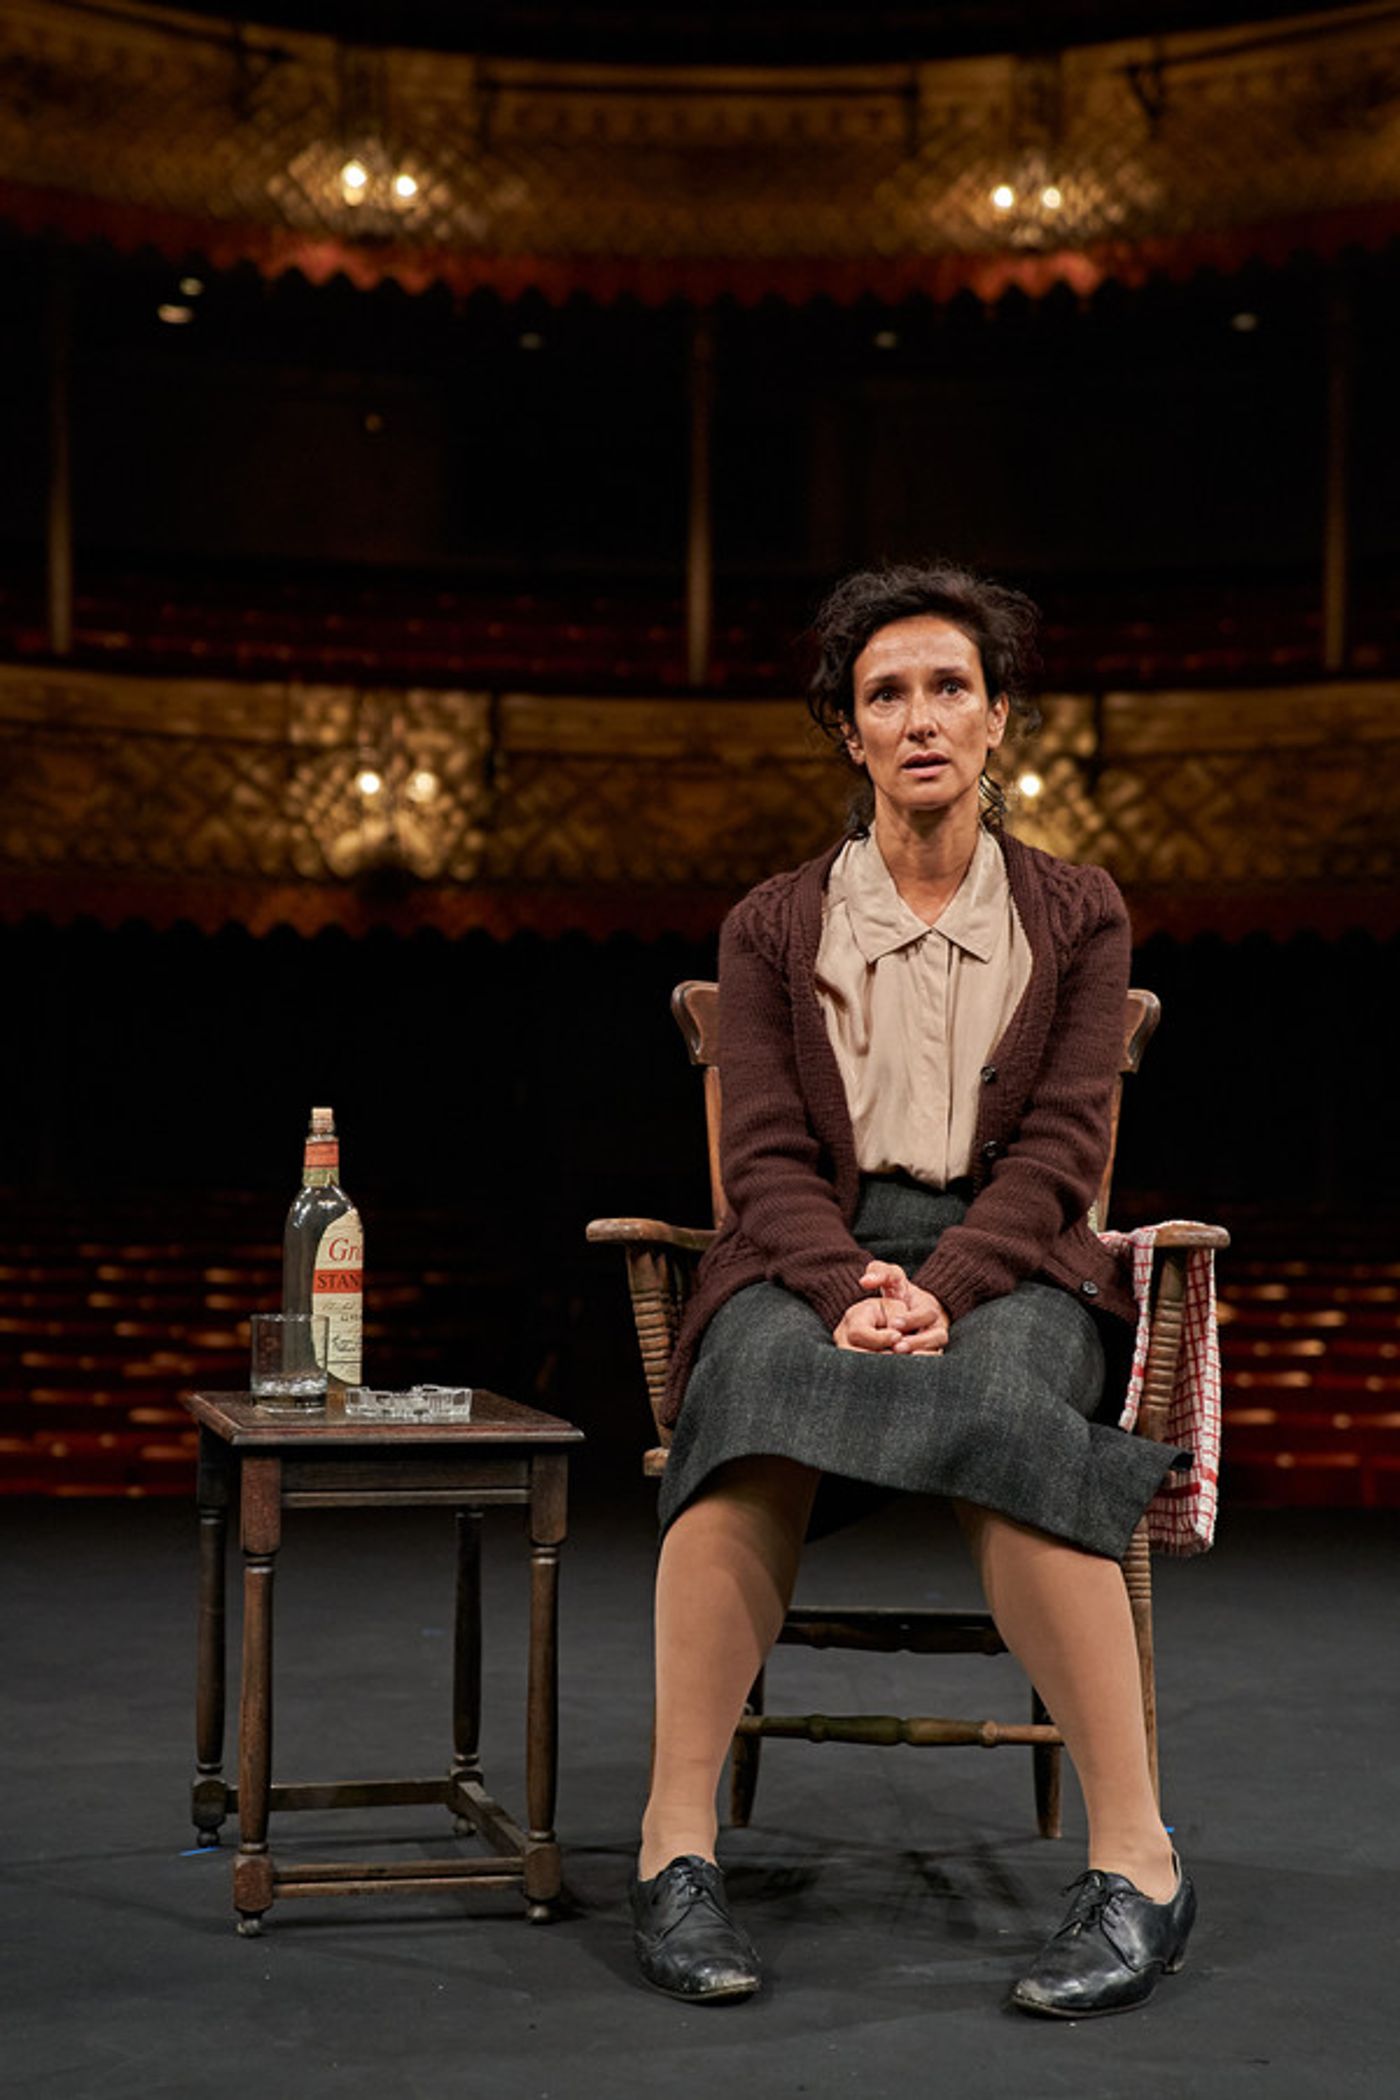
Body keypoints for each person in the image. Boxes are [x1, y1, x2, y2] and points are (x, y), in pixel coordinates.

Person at [629, 560, 1196, 2019]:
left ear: (1000, 719)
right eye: (888, 694)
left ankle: (1140, 1865)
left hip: (1011, 1251)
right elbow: (760, 1153)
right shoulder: (770, 923)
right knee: (746, 1389)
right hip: (807, 1241)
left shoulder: (1077, 915)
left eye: (952, 687)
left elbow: (1066, 1146)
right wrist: (839, 1280)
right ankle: (674, 1848)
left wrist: (939, 1282)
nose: (922, 716)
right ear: (851, 732)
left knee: (1009, 1409)